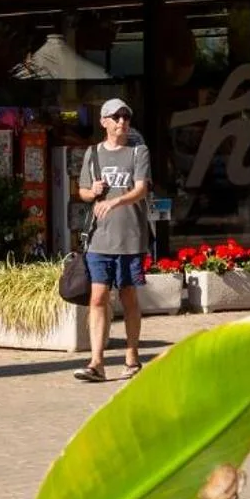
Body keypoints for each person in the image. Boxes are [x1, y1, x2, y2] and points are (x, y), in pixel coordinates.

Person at [74, 98, 153, 383]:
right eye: (116, 117)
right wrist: (91, 191)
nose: (122, 122)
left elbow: (142, 189)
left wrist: (117, 200)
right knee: (98, 297)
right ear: (104, 121)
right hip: (99, 238)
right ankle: (96, 361)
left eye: (126, 117)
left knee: (128, 295)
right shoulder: (93, 154)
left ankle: (132, 356)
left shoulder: (137, 152)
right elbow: (82, 191)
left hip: (130, 237)